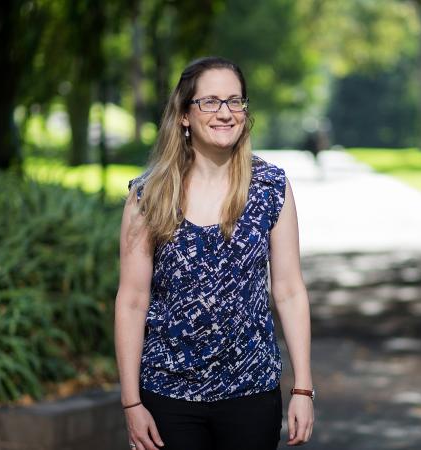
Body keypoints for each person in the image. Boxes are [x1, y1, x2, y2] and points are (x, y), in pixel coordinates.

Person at [114, 56, 315, 450]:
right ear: (185, 115)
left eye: (234, 101)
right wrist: (130, 401)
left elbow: (289, 290)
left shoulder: (270, 188)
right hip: (168, 397)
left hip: (251, 393)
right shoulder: (148, 195)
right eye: (210, 101)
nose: (225, 113)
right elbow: (132, 300)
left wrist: (303, 389)